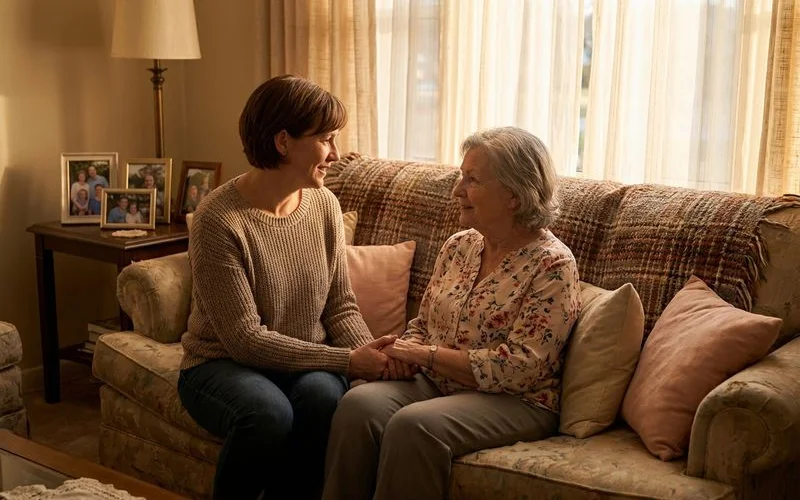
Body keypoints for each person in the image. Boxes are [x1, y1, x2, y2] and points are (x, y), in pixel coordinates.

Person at [323, 127, 582, 500]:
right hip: (437, 382)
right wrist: (401, 357)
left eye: (472, 180)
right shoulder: (459, 246)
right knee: (359, 405)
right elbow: (424, 325)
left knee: (416, 426)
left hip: (515, 400)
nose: (457, 191)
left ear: (513, 194)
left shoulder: (553, 265)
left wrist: (423, 355)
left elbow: (522, 368)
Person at [177, 75, 393, 500]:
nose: (335, 153)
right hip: (220, 365)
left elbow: (340, 307)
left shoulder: (325, 205)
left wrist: (376, 358)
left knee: (324, 398)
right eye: (326, 139)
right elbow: (245, 340)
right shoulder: (218, 219)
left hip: (302, 361)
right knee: (267, 412)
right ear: (282, 142)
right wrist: (350, 360)